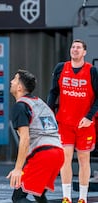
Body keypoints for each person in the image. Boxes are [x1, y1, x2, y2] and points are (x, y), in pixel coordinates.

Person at [47, 39, 98, 203]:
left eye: (78, 48)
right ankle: (66, 196)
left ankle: (82, 197)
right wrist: (49, 111)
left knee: (84, 160)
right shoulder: (61, 68)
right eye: (73, 47)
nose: (75, 49)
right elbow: (53, 92)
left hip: (85, 124)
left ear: (84, 52)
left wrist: (89, 117)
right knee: (65, 158)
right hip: (65, 123)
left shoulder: (92, 71)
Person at [7, 69, 64, 203]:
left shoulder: (20, 106)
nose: (11, 81)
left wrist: (18, 168)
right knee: (37, 194)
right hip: (58, 153)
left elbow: (25, 139)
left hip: (43, 154)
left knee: (18, 198)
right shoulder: (40, 102)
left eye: (14, 79)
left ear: (20, 87)